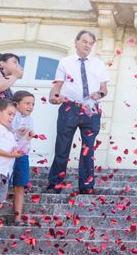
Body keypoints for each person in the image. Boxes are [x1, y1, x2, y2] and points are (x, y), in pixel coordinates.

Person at [46, 31, 109, 194]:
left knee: (88, 148)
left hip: (91, 109)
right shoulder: (65, 62)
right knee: (62, 146)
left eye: (91, 43)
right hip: (70, 108)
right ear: (76, 42)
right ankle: (55, 183)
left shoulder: (98, 64)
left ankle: (87, 186)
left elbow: (104, 88)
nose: (88, 45)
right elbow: (57, 85)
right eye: (85, 41)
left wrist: (100, 94)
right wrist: (53, 96)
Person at [0, 99, 23, 220]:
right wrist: (10, 155)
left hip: (5, 173)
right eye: (9, 114)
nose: (12, 118)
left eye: (14, 115)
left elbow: (13, 147)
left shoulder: (9, 132)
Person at [10, 91, 35, 225]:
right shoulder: (10, 116)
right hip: (6, 154)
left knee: (20, 185)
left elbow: (25, 140)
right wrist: (17, 131)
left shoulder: (30, 119)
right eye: (27, 103)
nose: (30, 106)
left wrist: (29, 136)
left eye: (32, 104)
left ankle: (18, 218)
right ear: (16, 104)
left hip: (22, 155)